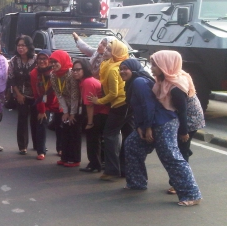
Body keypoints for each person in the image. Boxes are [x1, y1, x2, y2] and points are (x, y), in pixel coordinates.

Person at [120, 58, 202, 206]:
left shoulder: (139, 82)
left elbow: (148, 106)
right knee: (132, 145)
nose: (122, 71)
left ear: (134, 69)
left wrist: (148, 127)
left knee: (170, 156)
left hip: (163, 122)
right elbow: (137, 109)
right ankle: (137, 182)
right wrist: (140, 126)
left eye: (125, 68)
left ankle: (192, 194)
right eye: (120, 69)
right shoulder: (133, 83)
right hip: (150, 123)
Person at [149, 50, 205, 195]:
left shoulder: (176, 87)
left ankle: (178, 183)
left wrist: (184, 131)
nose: (151, 68)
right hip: (182, 117)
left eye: (155, 65)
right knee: (179, 148)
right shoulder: (168, 78)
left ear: (165, 65)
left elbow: (183, 111)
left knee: (181, 150)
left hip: (190, 119)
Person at [88, 40, 133, 180]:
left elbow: (113, 93)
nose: (105, 51)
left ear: (116, 53)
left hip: (120, 105)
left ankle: (112, 170)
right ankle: (124, 170)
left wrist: (98, 101)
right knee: (127, 136)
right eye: (106, 49)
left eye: (109, 50)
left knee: (110, 136)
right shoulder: (110, 64)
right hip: (124, 105)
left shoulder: (115, 69)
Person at [72, 58, 110, 172]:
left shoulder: (87, 82)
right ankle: (97, 164)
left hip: (98, 114)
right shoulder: (87, 80)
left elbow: (90, 105)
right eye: (73, 70)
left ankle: (94, 165)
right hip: (100, 114)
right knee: (96, 140)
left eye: (78, 69)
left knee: (92, 140)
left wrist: (90, 122)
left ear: (85, 69)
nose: (75, 72)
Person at [49, 50, 81, 167]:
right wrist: (65, 111)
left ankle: (75, 159)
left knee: (74, 133)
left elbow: (74, 95)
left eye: (55, 62)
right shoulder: (53, 75)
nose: (53, 65)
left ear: (62, 61)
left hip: (76, 106)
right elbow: (59, 94)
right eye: (51, 62)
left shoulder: (71, 74)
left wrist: (72, 113)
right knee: (65, 131)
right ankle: (65, 157)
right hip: (65, 106)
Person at [7, 35, 37, 155]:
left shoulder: (36, 59)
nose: (20, 48)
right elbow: (11, 79)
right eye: (19, 45)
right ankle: (22, 146)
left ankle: (38, 145)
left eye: (23, 45)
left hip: (35, 96)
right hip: (21, 95)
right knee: (22, 119)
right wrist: (18, 94)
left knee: (36, 120)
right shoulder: (14, 60)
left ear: (29, 47)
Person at [30, 50, 60, 160]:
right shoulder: (34, 73)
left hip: (57, 101)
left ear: (49, 60)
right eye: (39, 59)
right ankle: (41, 150)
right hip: (42, 101)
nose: (42, 61)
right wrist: (42, 110)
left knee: (60, 124)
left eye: (44, 59)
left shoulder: (55, 72)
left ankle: (60, 148)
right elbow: (36, 93)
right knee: (41, 122)